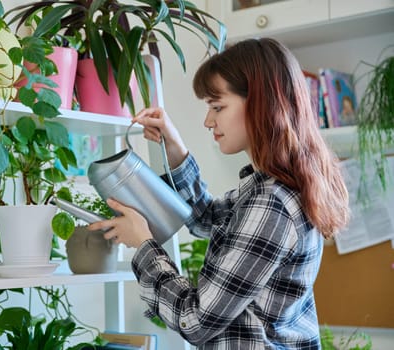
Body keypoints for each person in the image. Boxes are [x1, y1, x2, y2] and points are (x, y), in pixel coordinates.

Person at [88, 38, 350, 349]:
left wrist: (144, 245)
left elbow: (195, 320)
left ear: (260, 102)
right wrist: (175, 150)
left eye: (218, 107)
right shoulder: (268, 187)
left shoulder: (271, 204)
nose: (208, 120)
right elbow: (205, 220)